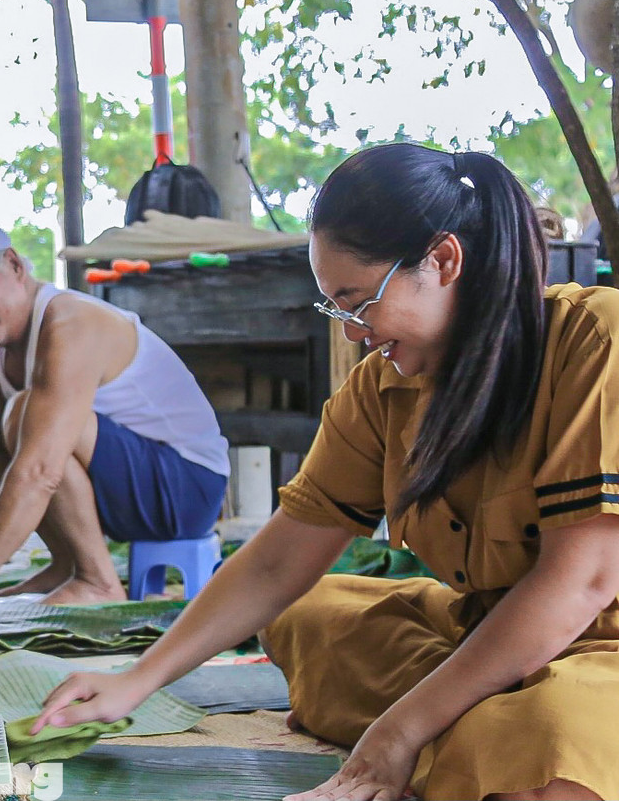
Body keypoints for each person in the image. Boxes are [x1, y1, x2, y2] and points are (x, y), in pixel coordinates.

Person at [35, 143, 619, 801]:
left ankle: (479, 739)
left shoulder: (593, 342)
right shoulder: (381, 390)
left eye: (358, 301)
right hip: (487, 630)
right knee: (308, 617)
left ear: (444, 261)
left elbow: (583, 583)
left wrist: (398, 731)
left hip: (602, 647)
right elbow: (278, 562)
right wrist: (135, 681)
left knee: (546, 735)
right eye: (335, 309)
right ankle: (472, 729)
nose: (352, 333)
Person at [0, 215, 229, 609]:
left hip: (188, 491)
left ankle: (97, 580)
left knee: (26, 415)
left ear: (14, 264)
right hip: (133, 491)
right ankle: (68, 564)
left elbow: (41, 470)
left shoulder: (71, 323)